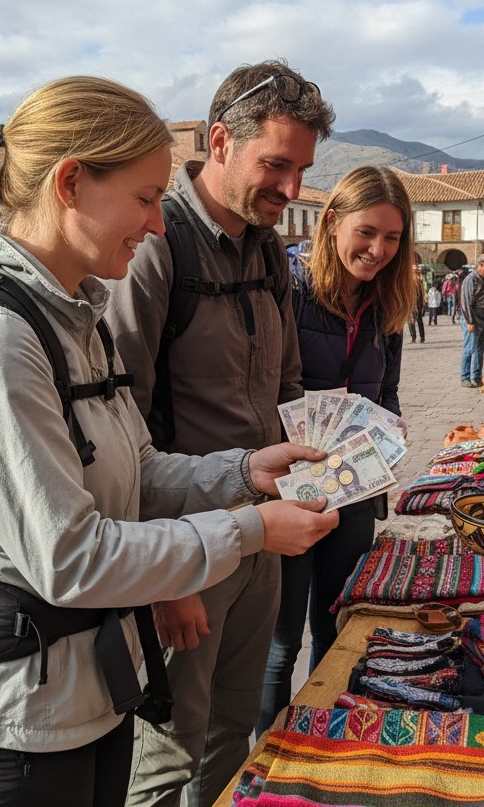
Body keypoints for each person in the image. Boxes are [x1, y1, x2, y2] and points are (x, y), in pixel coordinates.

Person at [0, 76, 339, 806]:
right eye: (143, 200)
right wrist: (250, 529)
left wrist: (245, 472)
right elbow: (69, 556)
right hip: (8, 725)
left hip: (83, 695)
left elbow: (137, 470)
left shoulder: (72, 319)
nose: (159, 225)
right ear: (71, 183)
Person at [106, 60, 335, 807]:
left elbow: (286, 391)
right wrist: (160, 574)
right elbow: (122, 427)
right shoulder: (155, 250)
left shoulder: (270, 249)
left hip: (259, 535)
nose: (292, 190)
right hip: (184, 545)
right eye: (276, 164)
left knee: (234, 728)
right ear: (218, 142)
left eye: (301, 169)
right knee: (170, 750)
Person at [257, 165, 414, 734]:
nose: (378, 250)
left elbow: (387, 389)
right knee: (279, 644)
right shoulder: (289, 289)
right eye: (366, 232)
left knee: (338, 624)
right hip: (292, 486)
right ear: (331, 223)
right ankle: (266, 758)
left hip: (355, 488)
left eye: (393, 238)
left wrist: (390, 439)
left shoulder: (387, 301)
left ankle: (323, 746)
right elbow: (268, 386)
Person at [458, 257, 484, 388]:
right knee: (469, 349)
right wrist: (469, 321)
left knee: (479, 349)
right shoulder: (471, 279)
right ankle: (465, 377)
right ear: (478, 266)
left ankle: (476, 377)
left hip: (483, 319)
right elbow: (465, 302)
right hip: (473, 319)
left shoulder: (482, 280)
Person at [408, 266, 425, 343]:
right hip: (413, 304)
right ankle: (419, 337)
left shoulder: (418, 281)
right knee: (415, 321)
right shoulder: (418, 281)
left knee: (414, 321)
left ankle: (416, 337)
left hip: (415, 304)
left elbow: (422, 294)